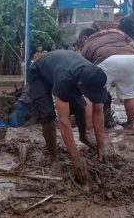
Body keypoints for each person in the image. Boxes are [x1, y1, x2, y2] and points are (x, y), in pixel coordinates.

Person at [25, 50, 108, 185]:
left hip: (63, 69)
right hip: (39, 74)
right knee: (48, 115)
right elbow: (63, 121)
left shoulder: (96, 76)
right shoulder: (65, 79)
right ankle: (54, 158)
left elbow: (98, 112)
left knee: (80, 107)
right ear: (80, 86)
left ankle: (84, 137)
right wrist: (75, 157)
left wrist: (101, 146)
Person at [79, 27, 134, 129]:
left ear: (84, 37)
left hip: (105, 58)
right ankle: (130, 124)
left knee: (91, 96)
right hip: (130, 58)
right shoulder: (116, 32)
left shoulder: (88, 43)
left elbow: (85, 69)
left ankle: (89, 126)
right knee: (130, 94)